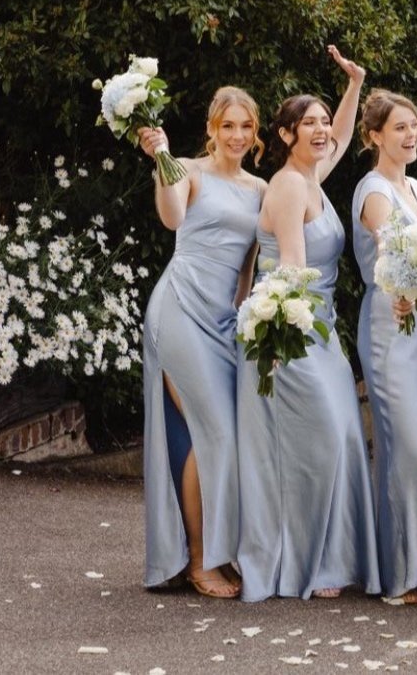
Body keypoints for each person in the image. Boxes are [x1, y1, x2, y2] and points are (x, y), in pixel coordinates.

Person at [235, 47, 380, 601]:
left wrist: (353, 86)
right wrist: (286, 335)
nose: (322, 130)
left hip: (322, 331)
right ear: (286, 134)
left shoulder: (313, 174)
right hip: (290, 334)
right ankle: (311, 559)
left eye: (324, 121)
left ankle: (335, 557)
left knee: (342, 437)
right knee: (319, 442)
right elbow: (291, 265)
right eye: (309, 123)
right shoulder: (291, 185)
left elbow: (340, 138)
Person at [139, 87, 267, 599]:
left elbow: (248, 265)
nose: (237, 135)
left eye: (246, 127)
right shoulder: (186, 171)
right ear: (211, 128)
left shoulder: (260, 188)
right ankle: (198, 560)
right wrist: (163, 156)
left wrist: (245, 315)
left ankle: (220, 548)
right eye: (228, 126)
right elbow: (172, 218)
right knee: (211, 429)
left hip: (223, 320)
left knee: (223, 433)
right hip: (179, 309)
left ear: (255, 134)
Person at [351, 89, 417, 604]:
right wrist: (398, 291)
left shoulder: (416, 185)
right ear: (374, 136)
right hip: (391, 326)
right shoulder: (374, 191)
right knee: (405, 446)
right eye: (398, 127)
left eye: (414, 125)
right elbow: (386, 248)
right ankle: (397, 572)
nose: (411, 134)